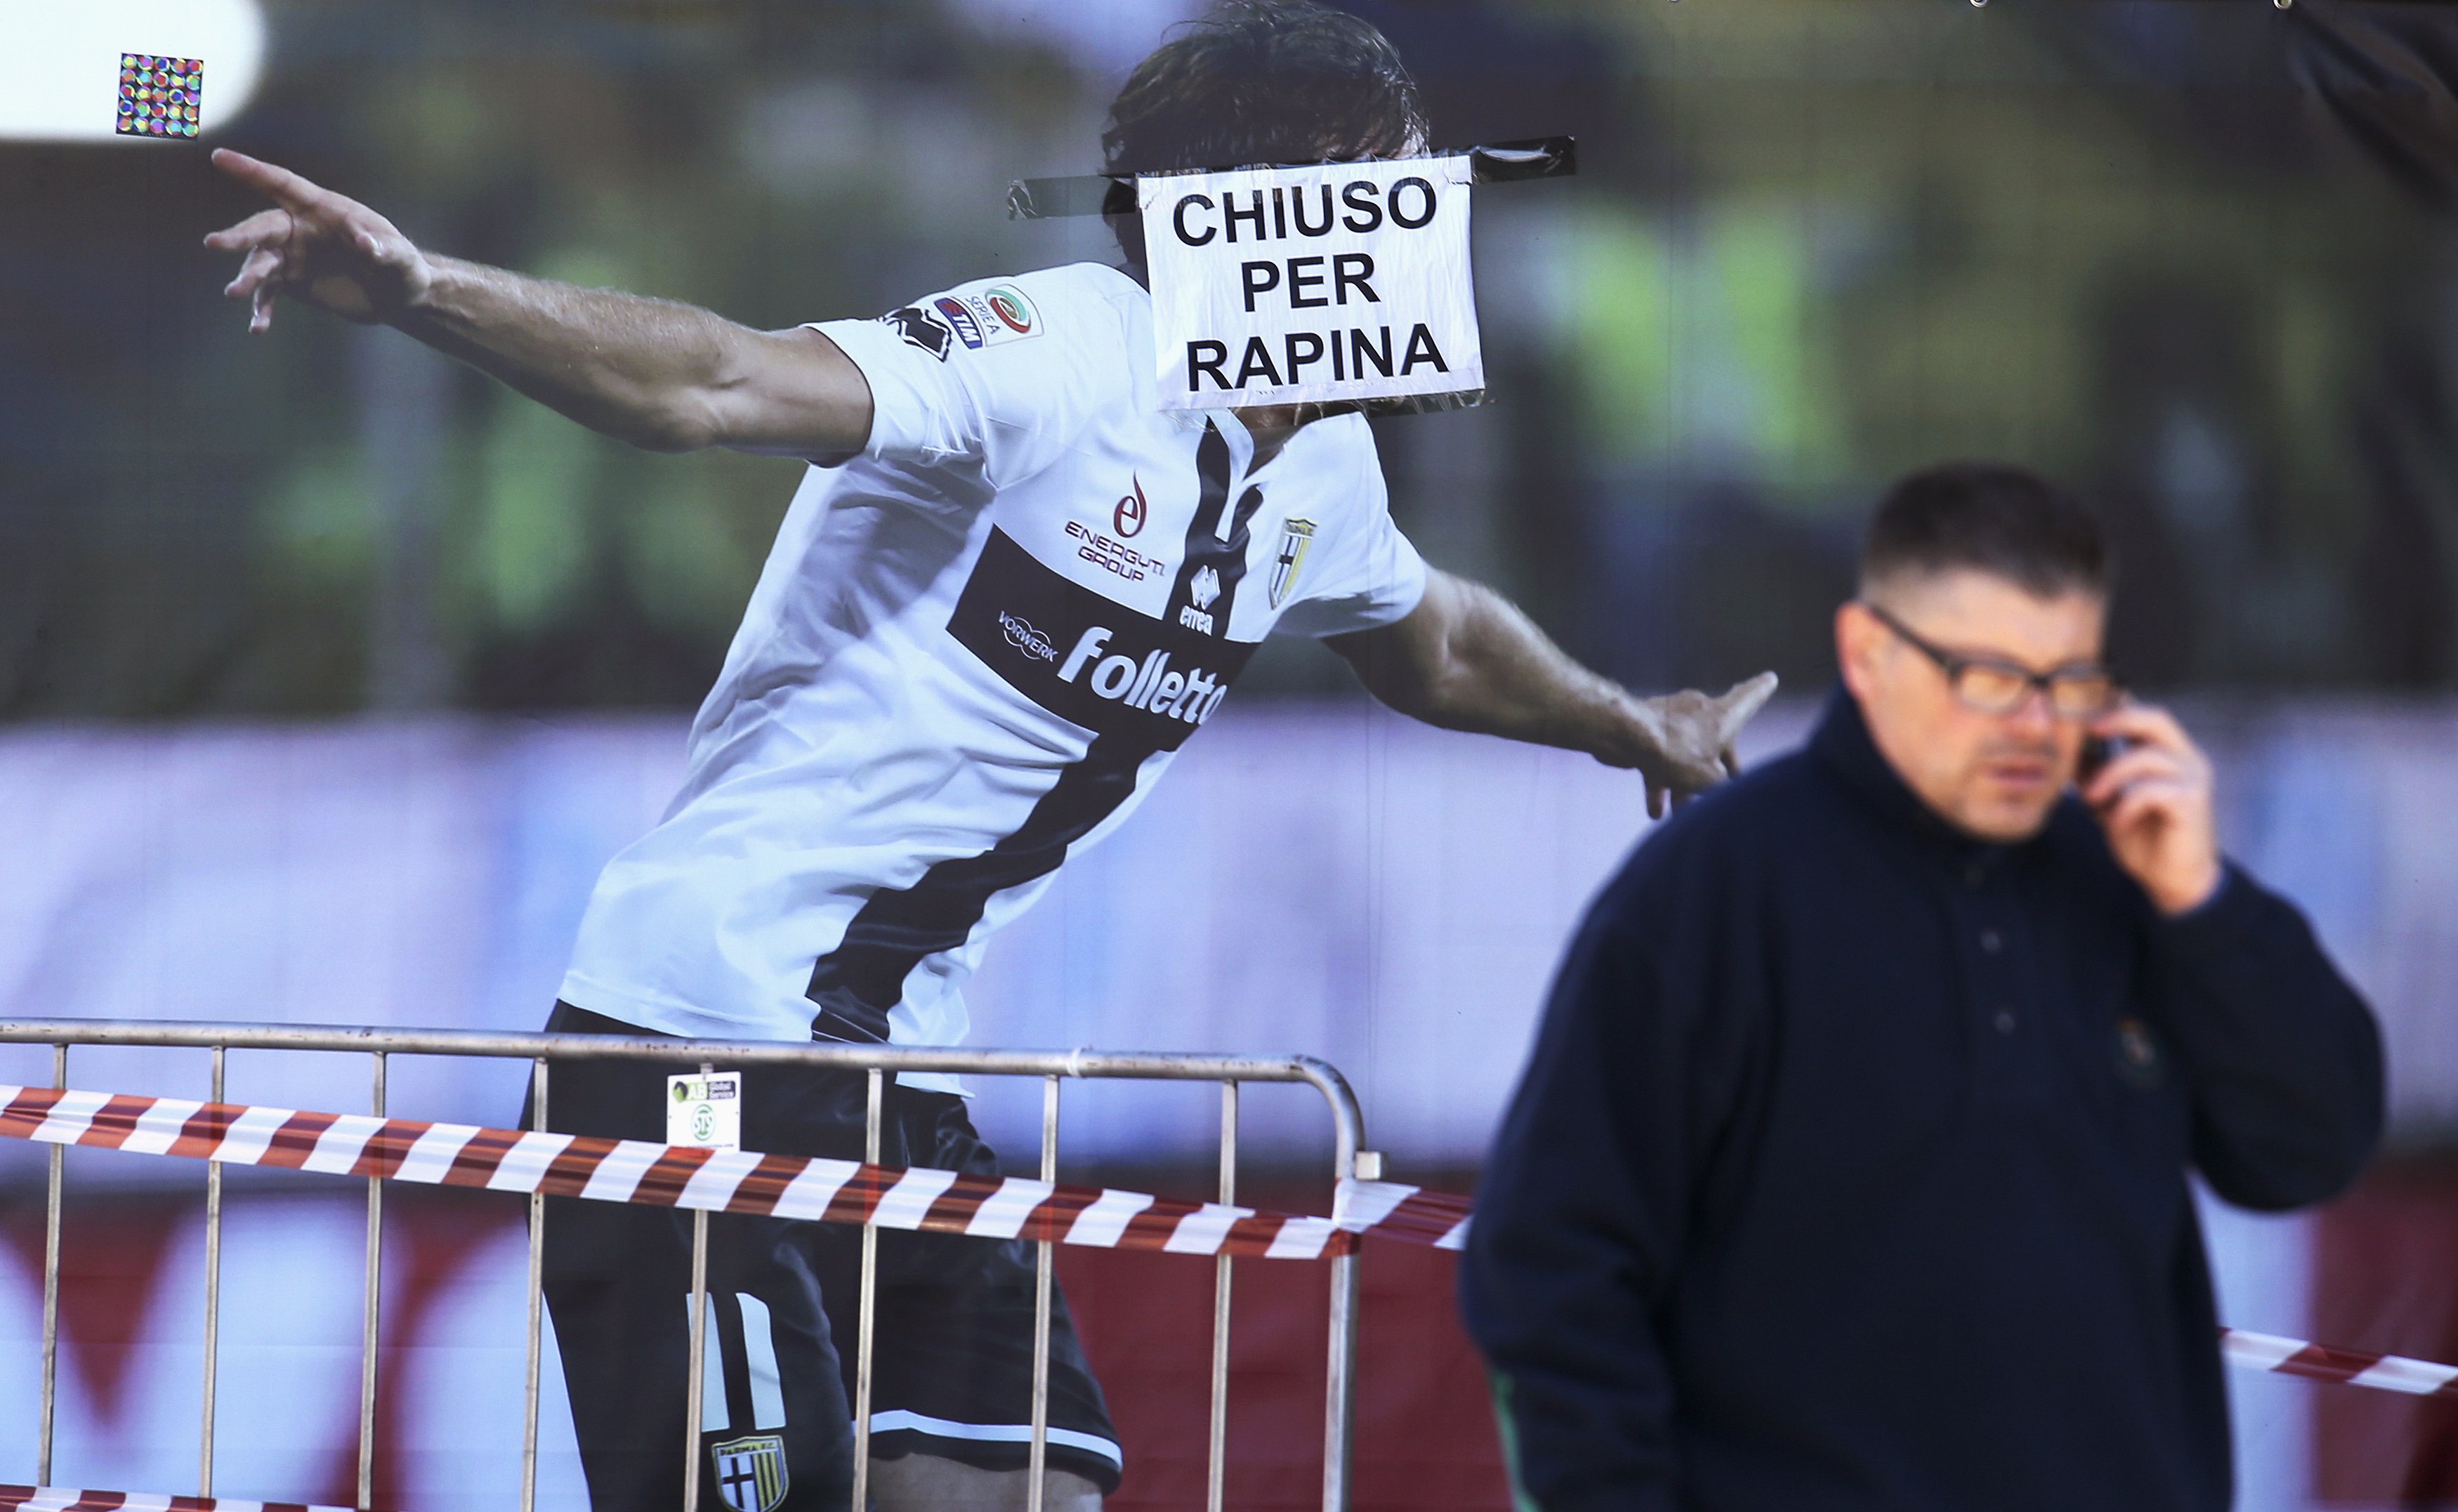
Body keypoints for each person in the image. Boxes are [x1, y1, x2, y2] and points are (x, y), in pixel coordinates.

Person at [201, 4, 1777, 1507]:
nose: (1424, 210)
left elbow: (1434, 637)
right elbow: (718, 380)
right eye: (1384, 170)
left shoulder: (1323, 467)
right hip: (694, 1049)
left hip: (899, 1071)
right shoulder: (1063, 347)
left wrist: (1631, 722)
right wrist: (422, 289)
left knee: (1019, 1481)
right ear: (1261, 210)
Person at [1460, 462, 2384, 1511]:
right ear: (1868, 653)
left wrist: (2205, 904)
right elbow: (1551, 1266)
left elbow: (2312, 1148)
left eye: (2070, 680)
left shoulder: (2135, 881)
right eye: (1989, 677)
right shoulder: (1714, 891)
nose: (2034, 724)